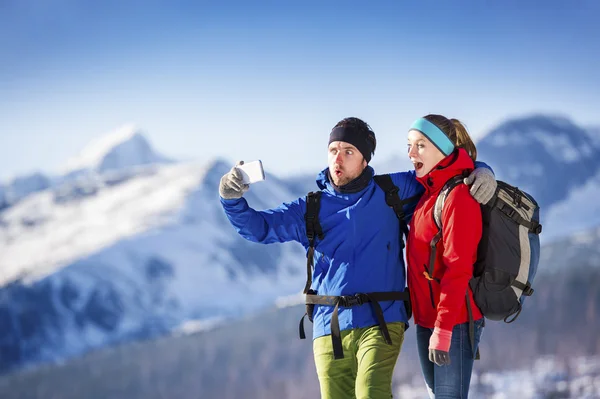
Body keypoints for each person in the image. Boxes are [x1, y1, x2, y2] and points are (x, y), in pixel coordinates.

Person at [218, 117, 495, 399]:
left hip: (382, 320)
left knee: (370, 392)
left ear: (365, 160)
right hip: (329, 325)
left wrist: (481, 171)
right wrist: (231, 200)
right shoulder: (310, 208)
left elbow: (443, 172)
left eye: (348, 152)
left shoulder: (392, 192)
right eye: (333, 150)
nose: (338, 159)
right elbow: (260, 228)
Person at [406, 114, 486, 399]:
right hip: (427, 321)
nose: (411, 153)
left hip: (455, 322)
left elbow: (458, 268)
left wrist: (443, 330)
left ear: (442, 149)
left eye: (421, 145)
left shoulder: (458, 197)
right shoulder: (428, 192)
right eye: (409, 145)